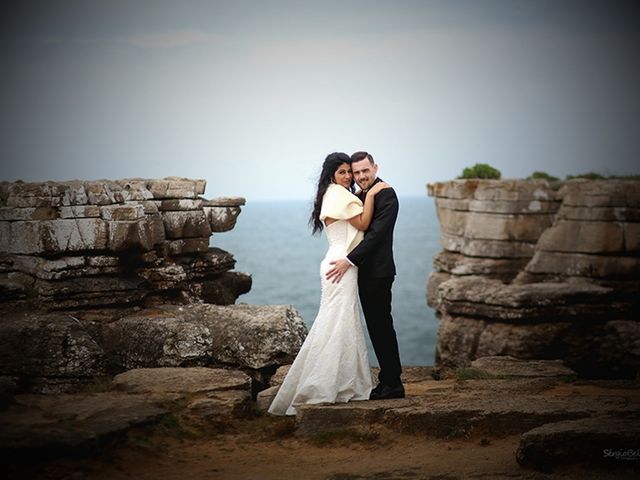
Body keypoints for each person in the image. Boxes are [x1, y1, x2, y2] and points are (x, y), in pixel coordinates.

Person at [268, 152, 389, 416]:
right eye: (343, 172)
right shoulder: (337, 193)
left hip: (342, 263)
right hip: (340, 266)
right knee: (337, 322)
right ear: (332, 174)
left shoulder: (335, 193)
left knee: (340, 321)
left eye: (350, 172)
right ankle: (326, 383)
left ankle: (341, 380)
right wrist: (371, 193)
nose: (349, 177)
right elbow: (364, 223)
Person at [325, 151, 404, 400]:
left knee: (382, 327)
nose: (360, 176)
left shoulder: (386, 194)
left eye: (364, 171)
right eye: (355, 172)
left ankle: (393, 384)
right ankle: (386, 381)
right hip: (364, 272)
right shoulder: (360, 194)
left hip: (378, 273)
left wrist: (348, 261)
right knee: (375, 328)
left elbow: (375, 235)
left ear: (375, 168)